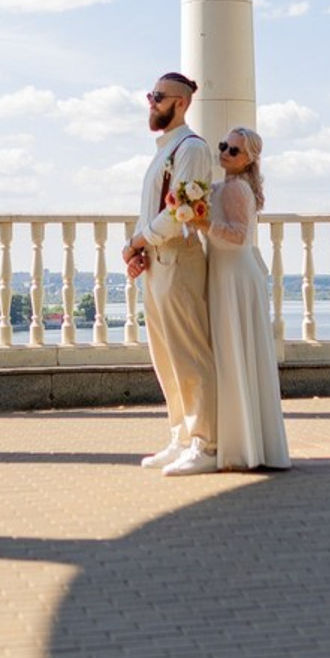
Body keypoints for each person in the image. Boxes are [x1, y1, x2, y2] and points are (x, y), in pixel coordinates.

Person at [122, 72, 219, 477]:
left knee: (190, 355)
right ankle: (180, 435)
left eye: (158, 97)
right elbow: (154, 213)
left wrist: (139, 241)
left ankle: (207, 443)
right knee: (165, 358)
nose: (151, 102)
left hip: (179, 260)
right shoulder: (164, 150)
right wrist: (138, 248)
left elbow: (180, 213)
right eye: (150, 95)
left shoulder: (191, 148)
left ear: (181, 103)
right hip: (158, 264)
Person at [196, 127, 290, 471]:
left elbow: (236, 237)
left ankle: (240, 448)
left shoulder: (236, 189)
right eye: (223, 146)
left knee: (235, 353)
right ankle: (243, 441)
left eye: (233, 150)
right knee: (233, 353)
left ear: (249, 158)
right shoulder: (223, 187)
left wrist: (203, 222)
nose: (225, 153)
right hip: (226, 274)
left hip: (235, 275)